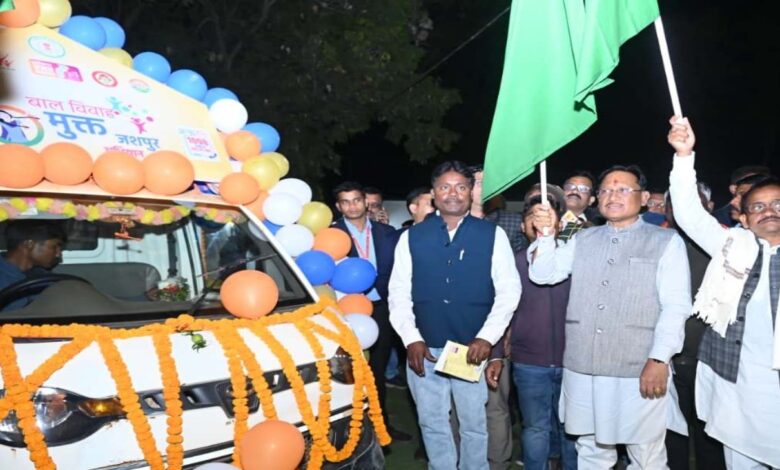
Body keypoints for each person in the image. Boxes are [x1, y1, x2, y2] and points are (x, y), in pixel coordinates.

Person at [529, 164, 692, 469]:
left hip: (638, 366)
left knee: (646, 453)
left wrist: (659, 359)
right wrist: (547, 235)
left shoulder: (666, 241)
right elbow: (543, 275)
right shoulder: (582, 239)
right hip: (583, 364)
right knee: (590, 448)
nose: (612, 195)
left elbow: (676, 306)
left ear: (643, 197)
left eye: (622, 189)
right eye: (605, 190)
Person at [389, 161, 521, 470]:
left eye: (461, 186)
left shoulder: (492, 234)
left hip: (469, 350)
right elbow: (398, 293)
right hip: (425, 349)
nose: (453, 193)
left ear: (471, 191)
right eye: (445, 187)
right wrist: (411, 339)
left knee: (474, 425)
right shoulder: (412, 237)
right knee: (433, 424)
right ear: (434, 193)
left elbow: (509, 291)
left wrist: (487, 338)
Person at [668, 117, 780, 469]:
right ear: (743, 218)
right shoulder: (732, 245)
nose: (768, 212)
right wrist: (684, 156)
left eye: (778, 204)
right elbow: (688, 213)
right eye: (757, 207)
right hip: (737, 388)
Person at [486, 190, 578, 470]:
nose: (538, 224)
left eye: (545, 218)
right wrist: (498, 354)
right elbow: (501, 312)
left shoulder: (572, 259)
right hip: (529, 362)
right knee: (536, 428)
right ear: (524, 227)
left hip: (572, 359)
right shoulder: (511, 263)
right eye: (531, 220)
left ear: (558, 224)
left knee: (571, 429)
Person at [331, 181, 411, 442]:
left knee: (377, 370)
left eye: (356, 200)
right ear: (338, 206)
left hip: (382, 309)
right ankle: (349, 429)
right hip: (346, 311)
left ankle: (381, 425)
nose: (352, 206)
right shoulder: (330, 236)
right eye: (345, 201)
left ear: (365, 202)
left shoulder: (386, 232)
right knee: (347, 373)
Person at [661, 182, 727, 470]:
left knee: (710, 437)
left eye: (694, 202)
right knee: (669, 436)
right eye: (676, 202)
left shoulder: (727, 246)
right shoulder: (657, 243)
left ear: (710, 208)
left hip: (710, 360)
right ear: (666, 209)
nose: (685, 210)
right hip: (666, 359)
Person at [468, 164, 521, 469]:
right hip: (454, 334)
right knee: (458, 409)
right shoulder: (444, 228)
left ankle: (498, 463)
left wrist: (506, 334)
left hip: (496, 333)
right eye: (475, 183)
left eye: (488, 183)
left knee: (495, 405)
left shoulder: (506, 226)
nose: (481, 188)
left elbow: (514, 287)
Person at [0, 220, 66, 310]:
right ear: (29, 244)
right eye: (54, 247)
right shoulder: (3, 277)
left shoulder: (43, 276)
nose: (58, 254)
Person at [559, 171, 601, 242]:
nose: (575, 191)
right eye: (570, 187)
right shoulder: (545, 217)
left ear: (591, 200)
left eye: (583, 189)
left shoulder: (599, 228)